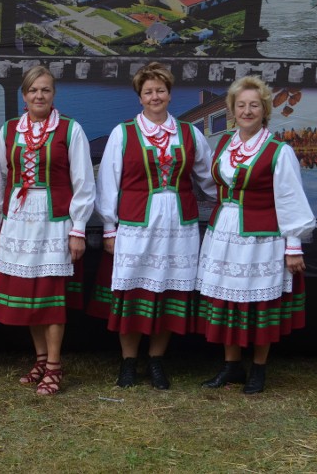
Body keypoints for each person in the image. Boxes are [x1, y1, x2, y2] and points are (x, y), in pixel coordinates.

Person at [93, 62, 215, 390]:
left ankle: (157, 360)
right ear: (140, 97)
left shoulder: (189, 134)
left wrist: (233, 199)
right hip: (136, 227)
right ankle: (129, 362)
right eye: (148, 91)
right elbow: (108, 183)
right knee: (133, 293)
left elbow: (208, 178)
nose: (155, 96)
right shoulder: (124, 133)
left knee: (170, 292)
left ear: (170, 94)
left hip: (179, 228)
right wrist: (109, 228)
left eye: (160, 90)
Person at [196, 76, 315, 394]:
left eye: (254, 105)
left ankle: (258, 369)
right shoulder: (223, 145)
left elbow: (290, 199)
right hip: (224, 231)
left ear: (264, 110)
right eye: (240, 105)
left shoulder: (278, 151)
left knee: (261, 303)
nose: (247, 111)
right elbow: (215, 186)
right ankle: (231, 366)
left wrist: (293, 246)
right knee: (227, 299)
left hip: (261, 236)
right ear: (232, 111)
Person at [0, 65, 95, 395]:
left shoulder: (69, 129)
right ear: (24, 96)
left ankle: (54, 365)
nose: (39, 95)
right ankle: (40, 358)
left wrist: (77, 229)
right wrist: (1, 220)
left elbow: (83, 183)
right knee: (28, 295)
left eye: (45, 90)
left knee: (50, 296)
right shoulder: (9, 131)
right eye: (33, 90)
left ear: (53, 95)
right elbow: (0, 180)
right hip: (19, 221)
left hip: (53, 221)